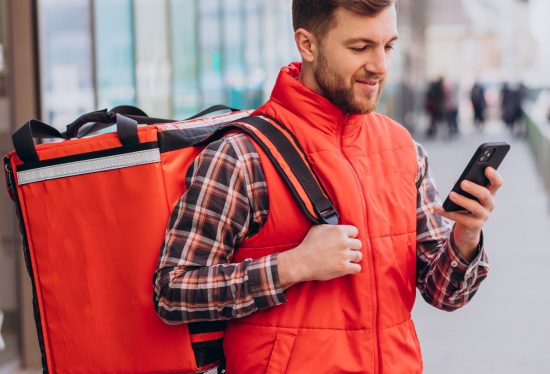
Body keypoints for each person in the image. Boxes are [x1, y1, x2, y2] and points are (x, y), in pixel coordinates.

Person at [153, 1, 503, 372]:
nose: (380, 66)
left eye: (388, 46)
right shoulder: (241, 156)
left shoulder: (404, 150)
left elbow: (446, 293)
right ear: (307, 44)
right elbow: (173, 292)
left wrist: (466, 236)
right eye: (359, 48)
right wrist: (291, 266)